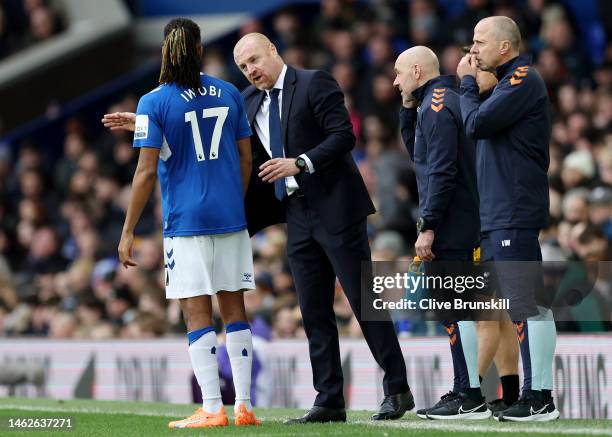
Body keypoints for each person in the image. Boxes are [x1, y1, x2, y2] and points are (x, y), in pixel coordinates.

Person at [233, 32, 413, 423]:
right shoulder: (246, 101)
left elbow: (344, 136)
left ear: (273, 51)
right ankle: (329, 399)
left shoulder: (314, 82)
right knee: (313, 309)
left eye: (254, 60)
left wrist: (300, 162)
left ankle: (397, 388)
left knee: (363, 300)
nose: (251, 70)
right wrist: (146, 124)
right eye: (243, 67)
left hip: (335, 206)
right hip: (295, 213)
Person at [104, 18, 261, 429]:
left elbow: (145, 171)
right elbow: (246, 159)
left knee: (197, 314)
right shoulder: (228, 91)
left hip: (186, 223)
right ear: (198, 49)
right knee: (235, 310)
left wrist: (127, 230)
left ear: (165, 51)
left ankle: (213, 407)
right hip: (230, 218)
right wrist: (232, 200)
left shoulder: (153, 102)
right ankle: (244, 406)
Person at [457, 16, 559, 421]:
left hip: (514, 210)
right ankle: (529, 394)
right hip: (498, 212)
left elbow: (476, 124)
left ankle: (541, 398)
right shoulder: (504, 85)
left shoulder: (522, 78)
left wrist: (467, 84)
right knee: (515, 307)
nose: (472, 50)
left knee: (528, 304)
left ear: (504, 47)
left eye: (480, 42)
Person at [394, 46, 489, 420]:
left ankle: (469, 393)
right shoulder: (439, 102)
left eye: (400, 73)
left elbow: (441, 172)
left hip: (453, 222)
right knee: (455, 309)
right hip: (462, 219)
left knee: (455, 308)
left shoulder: (436, 105)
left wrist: (429, 225)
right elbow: (421, 158)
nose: (395, 80)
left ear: (417, 70)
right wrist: (406, 108)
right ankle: (467, 389)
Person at [469, 64, 522, 414]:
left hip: (492, 217)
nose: (476, 71)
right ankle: (511, 393)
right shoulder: (480, 108)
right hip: (487, 214)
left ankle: (469, 391)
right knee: (497, 312)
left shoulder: (490, 109)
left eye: (478, 65)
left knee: (486, 311)